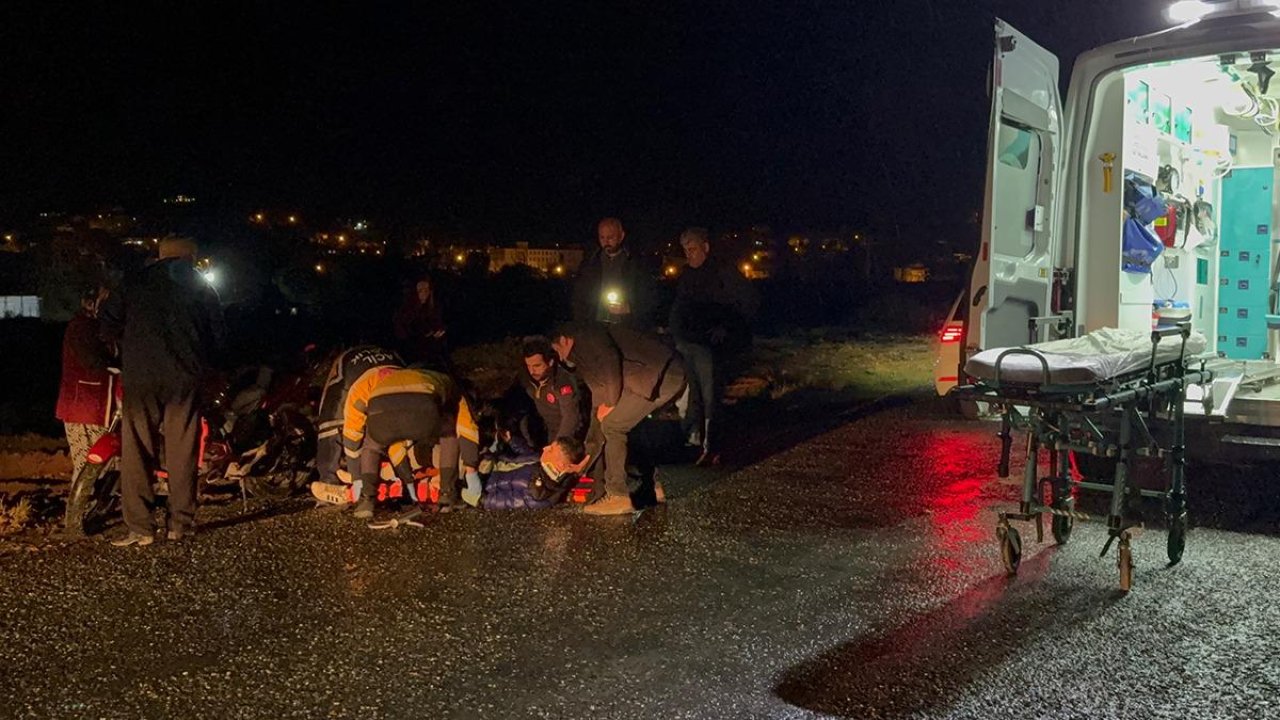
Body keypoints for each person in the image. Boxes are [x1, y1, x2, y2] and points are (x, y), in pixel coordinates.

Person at [99, 237, 224, 546]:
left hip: (141, 377)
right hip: (184, 378)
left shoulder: (135, 281)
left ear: (160, 256)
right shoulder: (201, 287)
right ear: (191, 257)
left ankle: (140, 527)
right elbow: (218, 337)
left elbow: (107, 320)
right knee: (183, 449)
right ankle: (180, 523)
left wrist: (124, 349)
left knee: (137, 447)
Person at [551, 323, 686, 515]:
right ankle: (653, 488)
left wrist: (612, 402)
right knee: (625, 424)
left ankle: (618, 496)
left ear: (564, 340)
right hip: (661, 376)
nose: (560, 357)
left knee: (614, 426)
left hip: (660, 375)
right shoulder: (583, 356)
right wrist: (586, 460)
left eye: (557, 350)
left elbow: (610, 359)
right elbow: (597, 406)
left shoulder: (586, 336)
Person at [338, 366, 480, 518]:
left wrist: (357, 478)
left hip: (380, 405)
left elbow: (353, 432)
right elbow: (467, 429)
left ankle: (366, 499)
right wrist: (472, 474)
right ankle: (447, 494)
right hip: (421, 409)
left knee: (372, 446)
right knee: (448, 434)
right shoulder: (452, 388)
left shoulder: (372, 384)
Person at [668, 227, 758, 465]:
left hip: (711, 346)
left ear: (705, 248)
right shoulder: (687, 275)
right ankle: (696, 441)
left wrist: (726, 328)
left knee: (711, 397)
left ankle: (714, 446)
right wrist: (674, 331)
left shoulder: (723, 272)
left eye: (693, 248)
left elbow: (746, 303)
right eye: (685, 250)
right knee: (695, 396)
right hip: (689, 344)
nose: (689, 254)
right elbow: (679, 307)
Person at [312, 344, 404, 494]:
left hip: (363, 378)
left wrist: (357, 480)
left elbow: (350, 439)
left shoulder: (358, 394)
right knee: (333, 423)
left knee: (329, 424)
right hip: (385, 375)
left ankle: (329, 479)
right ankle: (331, 477)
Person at [56, 287, 115, 480]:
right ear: (91, 304)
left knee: (102, 465)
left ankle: (94, 506)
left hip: (94, 406)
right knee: (86, 466)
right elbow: (93, 361)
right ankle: (81, 508)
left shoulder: (94, 327)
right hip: (82, 407)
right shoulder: (82, 327)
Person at [504, 336, 585, 448]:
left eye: (537, 366)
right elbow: (512, 399)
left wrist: (555, 447)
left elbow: (571, 417)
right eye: (529, 366)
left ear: (550, 362)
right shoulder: (526, 378)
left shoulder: (562, 381)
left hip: (570, 436)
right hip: (547, 431)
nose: (532, 371)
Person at [477, 431, 591, 511]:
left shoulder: (539, 493)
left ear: (560, 465)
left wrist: (479, 499)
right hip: (489, 462)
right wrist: (511, 440)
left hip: (482, 482)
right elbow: (527, 454)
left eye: (550, 450)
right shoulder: (543, 463)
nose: (545, 448)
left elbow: (506, 502)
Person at [571, 217, 653, 326]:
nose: (606, 242)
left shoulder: (636, 264)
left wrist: (630, 308)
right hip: (595, 324)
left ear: (621, 236)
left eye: (610, 237)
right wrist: (581, 321)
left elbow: (649, 295)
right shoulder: (590, 263)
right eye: (602, 237)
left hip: (625, 326)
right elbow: (579, 295)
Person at [393, 277, 449, 369]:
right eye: (420, 291)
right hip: (412, 353)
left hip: (431, 351)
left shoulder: (432, 308)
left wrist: (438, 332)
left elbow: (437, 323)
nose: (424, 294)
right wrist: (425, 336)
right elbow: (405, 335)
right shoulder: (405, 312)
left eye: (426, 290)